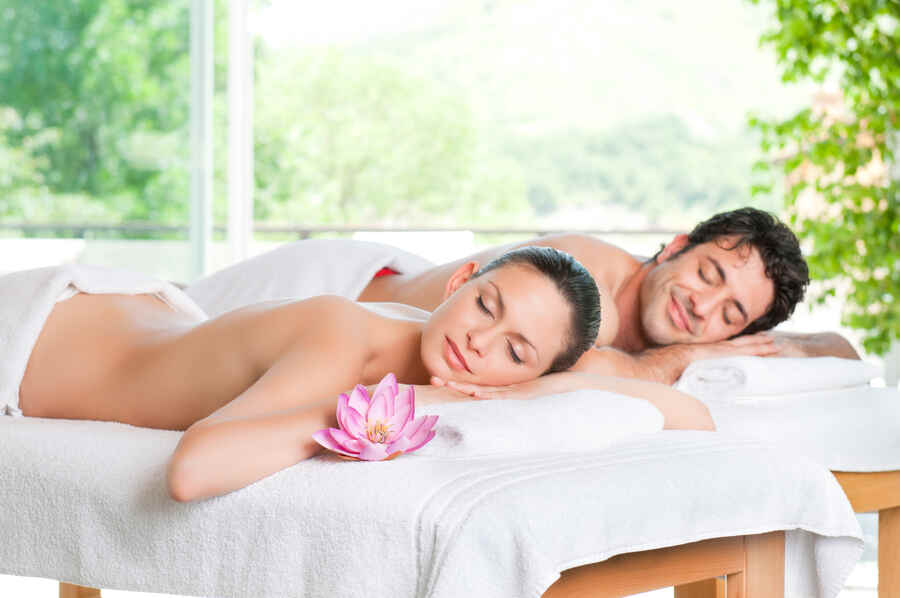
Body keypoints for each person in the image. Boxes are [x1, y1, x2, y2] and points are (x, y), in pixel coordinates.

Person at [16, 246, 711, 503]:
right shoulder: (345, 338)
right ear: (460, 282)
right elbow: (193, 471)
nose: (479, 341)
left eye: (516, 351)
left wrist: (559, 384)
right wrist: (379, 408)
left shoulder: (486, 365)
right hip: (35, 333)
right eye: (485, 305)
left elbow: (695, 419)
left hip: (139, 314)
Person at [187, 207, 859, 385]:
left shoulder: (687, 327)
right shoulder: (589, 283)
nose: (702, 307)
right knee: (164, 329)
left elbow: (845, 351)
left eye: (731, 314)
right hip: (332, 288)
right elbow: (594, 372)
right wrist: (689, 356)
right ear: (677, 246)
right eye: (709, 273)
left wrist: (771, 346)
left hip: (373, 319)